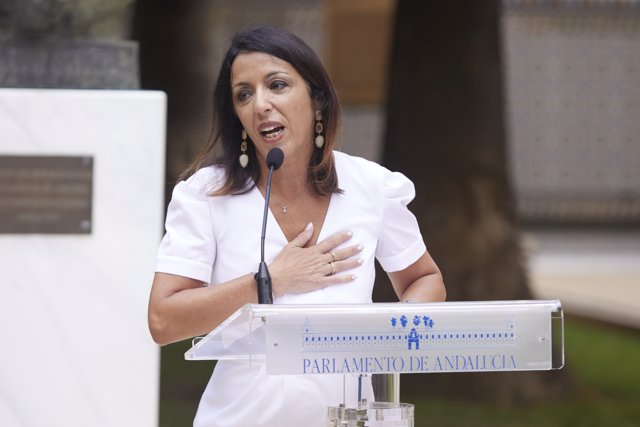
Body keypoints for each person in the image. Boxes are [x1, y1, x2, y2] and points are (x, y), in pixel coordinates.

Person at [148, 26, 446, 427]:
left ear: (316, 100)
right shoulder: (206, 195)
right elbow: (164, 320)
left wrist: (392, 333)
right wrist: (269, 281)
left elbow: (424, 278)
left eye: (277, 85)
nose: (261, 104)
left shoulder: (371, 187)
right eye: (244, 94)